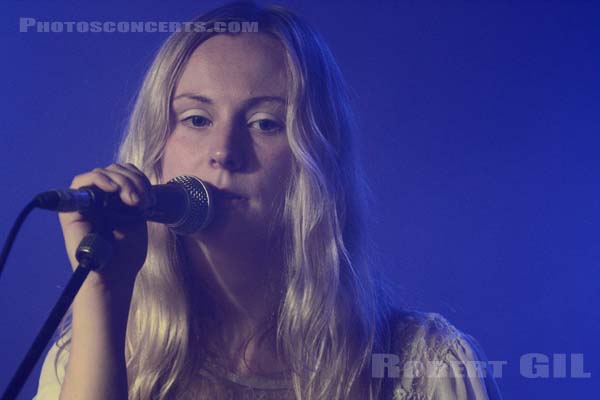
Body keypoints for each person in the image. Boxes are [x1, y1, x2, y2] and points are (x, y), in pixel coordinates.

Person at [34, 2, 503, 399]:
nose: (223, 151)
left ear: (315, 161)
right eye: (196, 119)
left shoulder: (417, 367)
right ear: (155, 151)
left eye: (265, 123)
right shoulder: (92, 351)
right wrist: (101, 292)